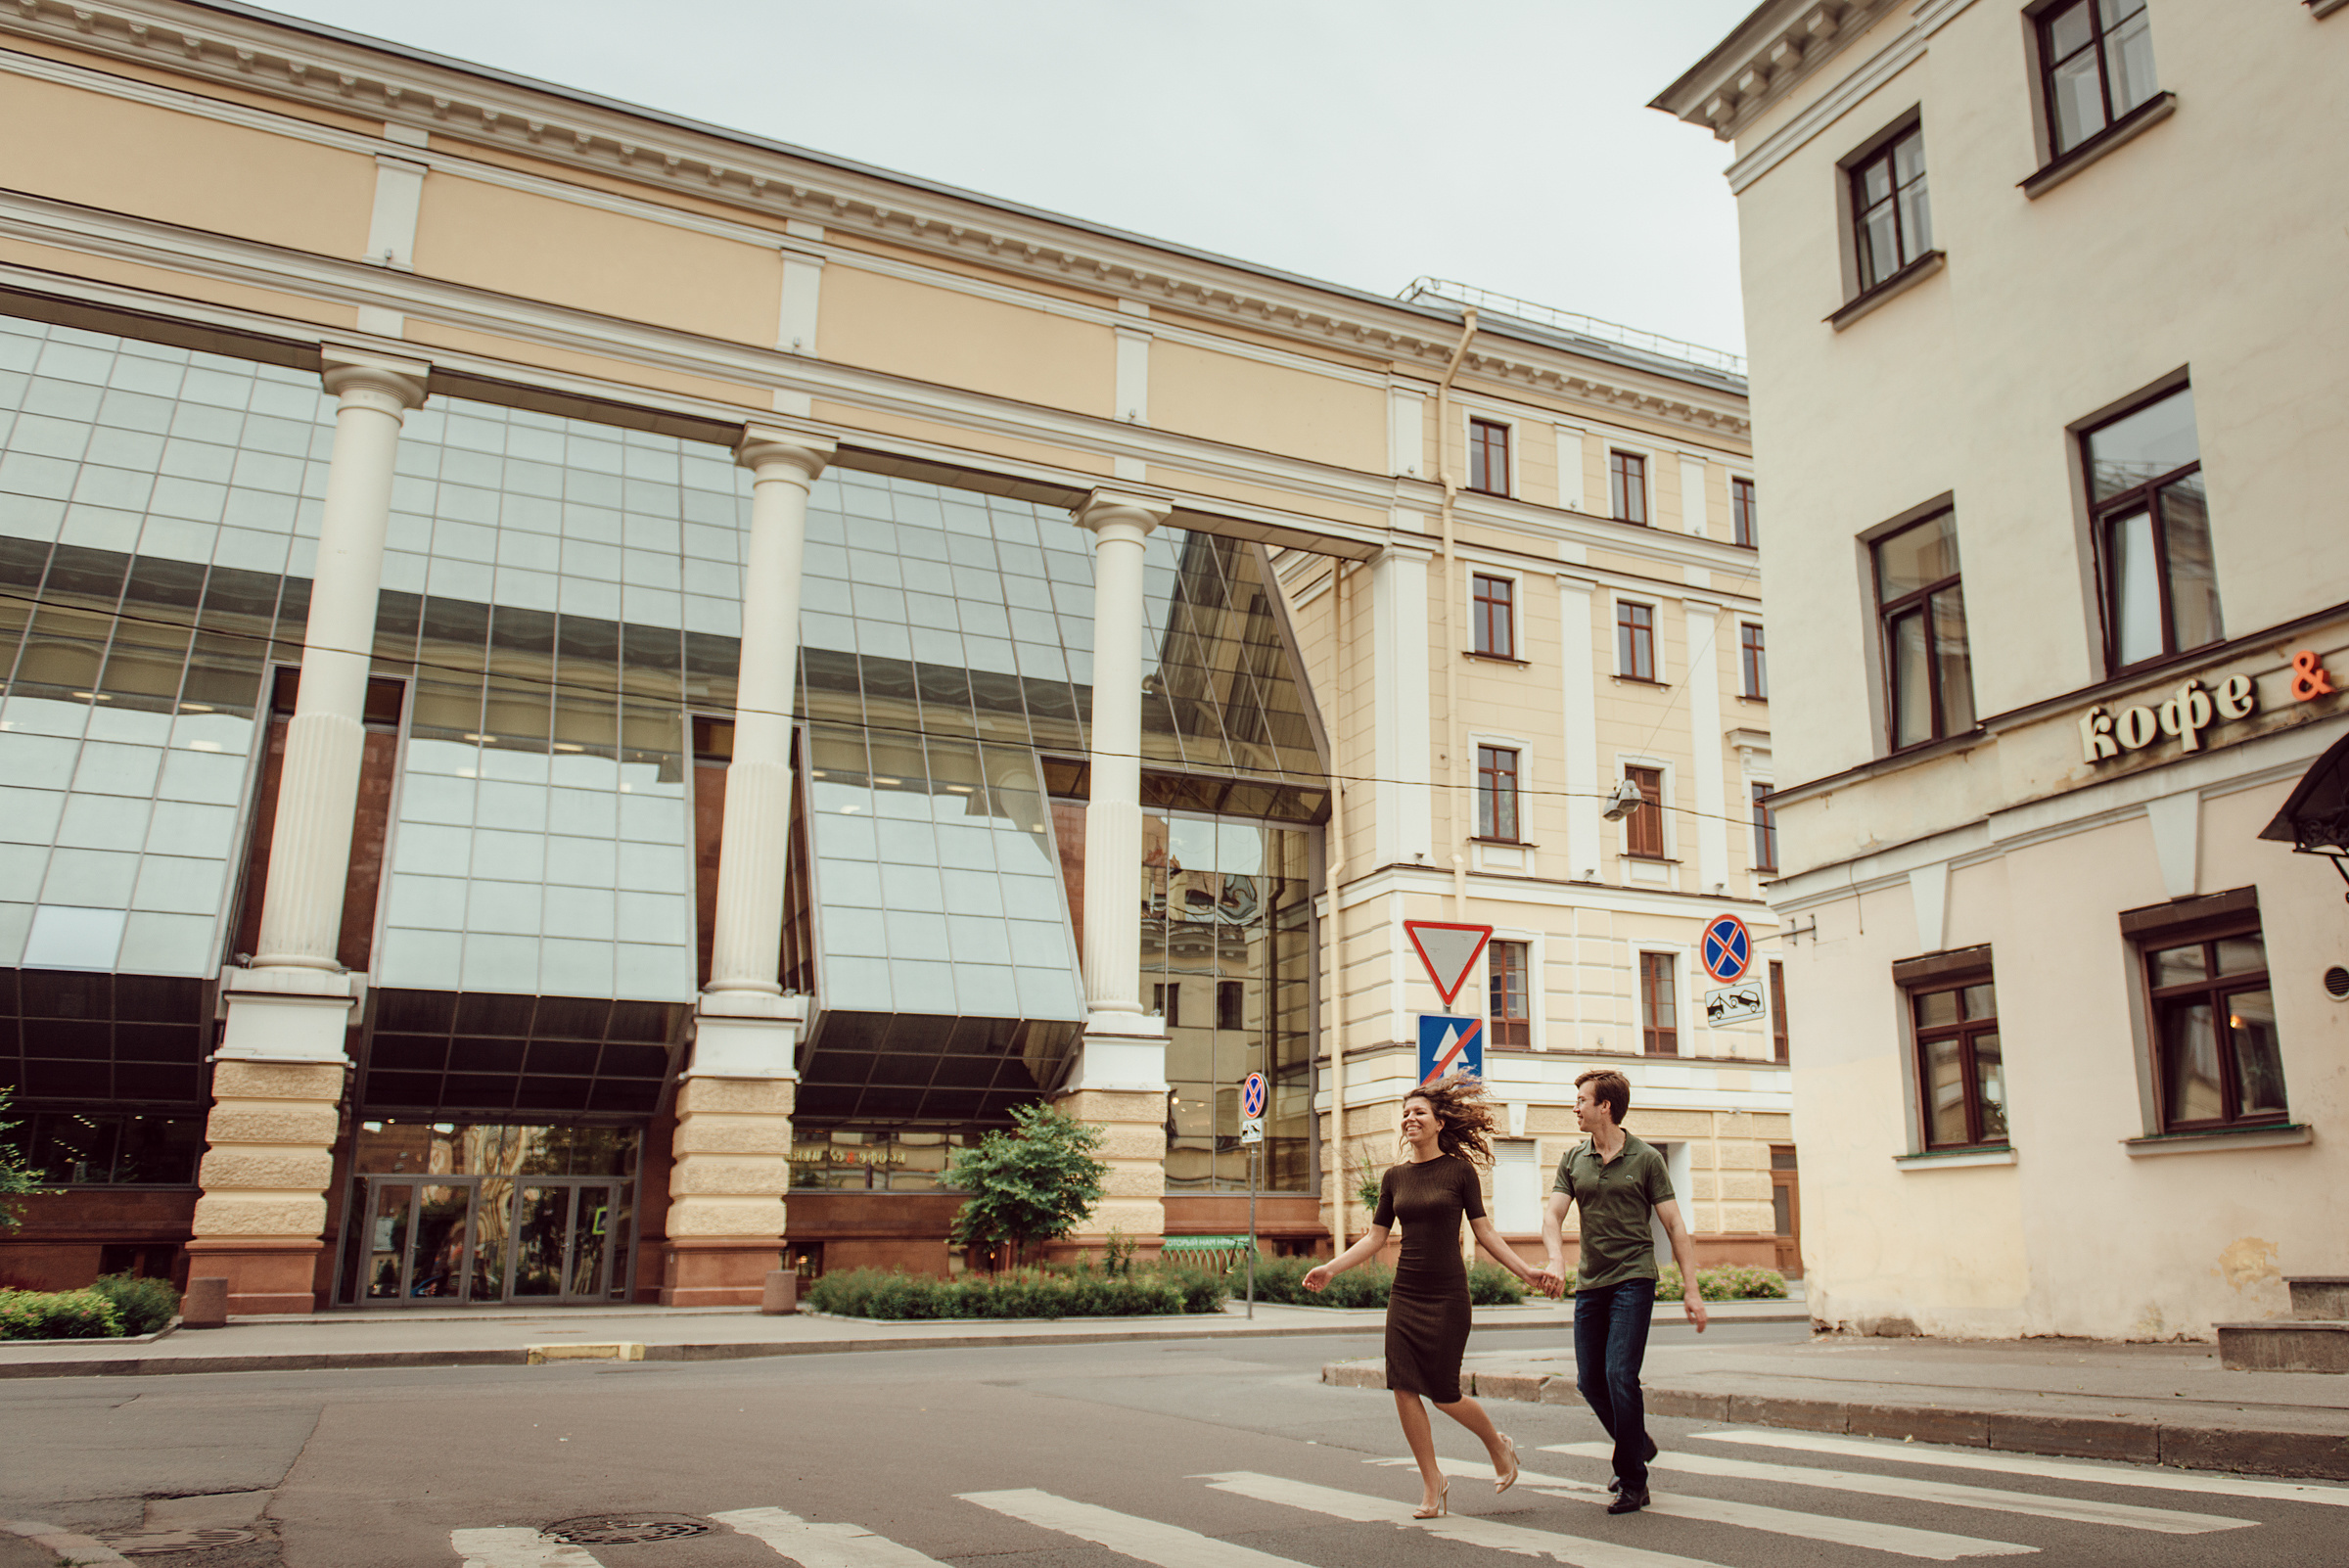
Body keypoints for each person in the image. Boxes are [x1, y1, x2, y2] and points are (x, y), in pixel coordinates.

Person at [1305, 1073, 1560, 1518]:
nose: (1410, 1119)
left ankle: (1497, 1444)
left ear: (1440, 1122)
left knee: (1443, 1392)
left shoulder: (1459, 1172)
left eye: (1418, 1112)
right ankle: (1431, 1482)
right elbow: (1374, 1238)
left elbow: (1484, 1233)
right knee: (1403, 1387)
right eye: (1405, 1113)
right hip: (1405, 1294)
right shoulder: (1395, 1177)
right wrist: (1331, 1268)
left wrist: (1526, 1272)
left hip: (1446, 1295)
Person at [1541, 1068, 1707, 1515]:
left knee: (1619, 1375)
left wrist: (1691, 1290)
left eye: (1581, 1100)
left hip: (1634, 1278)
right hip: (1591, 1281)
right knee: (1589, 1381)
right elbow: (1552, 1216)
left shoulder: (1646, 1158)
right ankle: (1638, 1444)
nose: (1574, 1107)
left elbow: (1674, 1225)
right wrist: (1557, 1259)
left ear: (1605, 1107)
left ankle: (1633, 1478)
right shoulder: (1574, 1159)